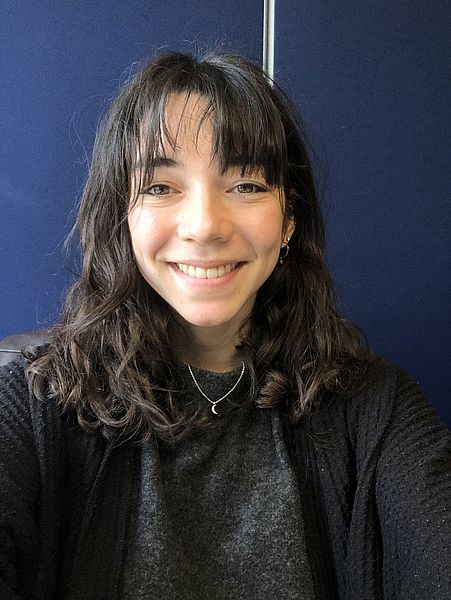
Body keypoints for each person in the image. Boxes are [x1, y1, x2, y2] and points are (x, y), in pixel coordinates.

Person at [0, 50, 449, 600]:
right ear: (123, 215)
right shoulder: (30, 401)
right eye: (160, 187)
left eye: (246, 185)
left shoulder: (377, 409)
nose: (205, 226)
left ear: (289, 218)